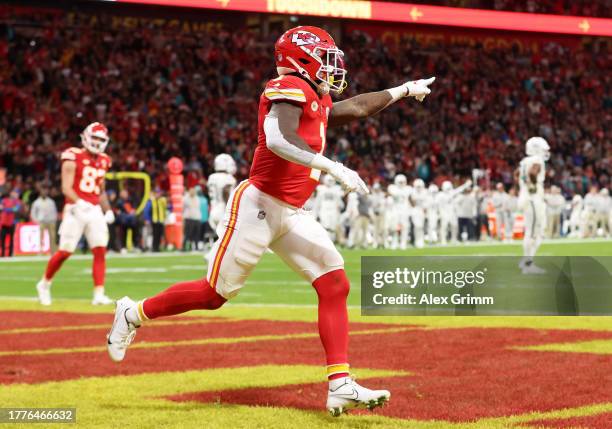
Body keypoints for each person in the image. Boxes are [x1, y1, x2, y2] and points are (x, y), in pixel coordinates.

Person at [107, 25, 435, 416]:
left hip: (292, 212)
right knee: (215, 295)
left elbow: (357, 108)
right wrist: (331, 167)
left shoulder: (315, 95)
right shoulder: (286, 88)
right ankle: (132, 312)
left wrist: (403, 89)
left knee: (334, 282)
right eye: (325, 59)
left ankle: (340, 384)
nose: (334, 68)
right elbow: (278, 138)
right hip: (259, 205)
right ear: (301, 59)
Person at [36, 123, 115, 305]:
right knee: (65, 251)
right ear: (86, 137)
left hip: (94, 209)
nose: (97, 142)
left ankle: (98, 294)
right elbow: (66, 187)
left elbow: (101, 190)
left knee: (100, 250)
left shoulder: (105, 160)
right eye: (94, 138)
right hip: (75, 208)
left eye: (101, 139)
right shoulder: (72, 155)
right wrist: (80, 202)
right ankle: (44, 284)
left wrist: (108, 209)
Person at [516, 136, 549, 274]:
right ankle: (529, 265)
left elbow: (516, 174)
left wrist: (524, 185)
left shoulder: (524, 161)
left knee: (530, 231)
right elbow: (532, 173)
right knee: (536, 232)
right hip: (533, 198)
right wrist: (533, 185)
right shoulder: (536, 160)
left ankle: (525, 261)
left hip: (525, 197)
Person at [207, 154, 237, 234]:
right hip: (223, 210)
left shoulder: (211, 177)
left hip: (213, 210)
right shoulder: (229, 178)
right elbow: (226, 193)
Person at [314, 174, 344, 243]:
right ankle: (324, 242)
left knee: (332, 227)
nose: (330, 182)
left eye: (331, 180)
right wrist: (315, 214)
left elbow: (339, 199)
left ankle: (331, 242)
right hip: (324, 210)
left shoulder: (336, 188)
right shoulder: (321, 188)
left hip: (333, 210)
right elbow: (317, 202)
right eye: (329, 180)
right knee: (325, 226)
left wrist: (340, 206)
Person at [30, 186, 58, 254]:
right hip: (41, 222)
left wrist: (54, 219)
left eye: (45, 192)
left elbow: (54, 211)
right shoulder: (37, 202)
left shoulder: (51, 201)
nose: (44, 193)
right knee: (41, 237)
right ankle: (40, 250)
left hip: (51, 221)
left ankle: (53, 251)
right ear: (40, 193)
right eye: (43, 192)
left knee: (53, 237)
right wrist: (36, 220)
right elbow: (33, 212)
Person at [387, 174, 412, 249]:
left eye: (402, 182)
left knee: (405, 227)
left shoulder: (408, 188)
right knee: (394, 227)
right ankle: (395, 242)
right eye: (400, 182)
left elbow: (409, 197)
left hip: (405, 210)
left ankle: (403, 243)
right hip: (395, 210)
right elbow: (392, 193)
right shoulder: (392, 187)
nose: (401, 183)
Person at [143, 188, 168, 252]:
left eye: (159, 193)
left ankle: (158, 247)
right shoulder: (151, 201)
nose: (158, 194)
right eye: (156, 193)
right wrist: (146, 219)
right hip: (154, 220)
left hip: (161, 220)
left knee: (160, 235)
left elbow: (165, 209)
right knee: (155, 234)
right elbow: (146, 210)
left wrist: (165, 217)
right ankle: (154, 247)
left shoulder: (162, 201)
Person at [0, 190, 21, 257]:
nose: (15, 194)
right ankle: (2, 254)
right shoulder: (4, 200)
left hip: (12, 223)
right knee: (2, 239)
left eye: (16, 193)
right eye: (13, 193)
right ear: (11, 193)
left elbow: (16, 209)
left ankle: (10, 254)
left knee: (12, 239)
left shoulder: (17, 202)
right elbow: (1, 208)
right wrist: (10, 209)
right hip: (4, 223)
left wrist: (6, 209)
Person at [182, 187, 201, 251]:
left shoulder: (197, 198)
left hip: (197, 218)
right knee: (187, 234)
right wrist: (187, 194)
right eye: (191, 191)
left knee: (196, 234)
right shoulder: (186, 198)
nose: (192, 193)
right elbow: (185, 204)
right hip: (189, 218)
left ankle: (196, 247)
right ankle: (184, 247)